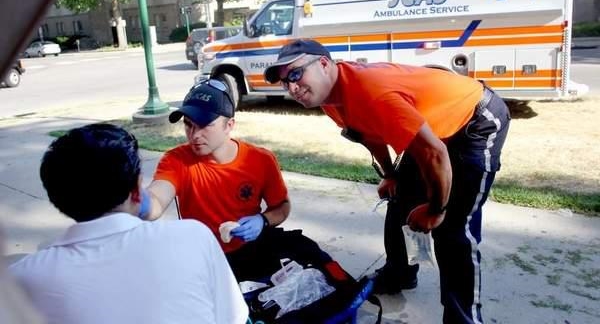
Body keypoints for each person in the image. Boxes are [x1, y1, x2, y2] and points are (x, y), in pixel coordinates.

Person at [264, 39, 511, 324]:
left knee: (453, 229)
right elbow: (368, 135)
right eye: (284, 82)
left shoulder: (370, 91)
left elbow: (434, 153)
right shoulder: (330, 98)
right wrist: (391, 176)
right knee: (400, 201)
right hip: (432, 131)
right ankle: (400, 273)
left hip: (476, 119)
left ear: (323, 64)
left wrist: (436, 209)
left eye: (295, 74)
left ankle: (463, 319)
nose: (292, 88)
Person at [9, 123, 248, 324]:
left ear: (57, 198)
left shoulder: (19, 280)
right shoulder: (193, 237)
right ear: (136, 189)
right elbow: (233, 317)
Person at [144, 80, 324, 281]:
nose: (194, 135)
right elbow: (157, 199)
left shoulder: (260, 160)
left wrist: (263, 221)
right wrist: (140, 201)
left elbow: (281, 207)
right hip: (203, 257)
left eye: (205, 125)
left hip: (251, 250)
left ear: (229, 125)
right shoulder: (176, 160)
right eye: (188, 124)